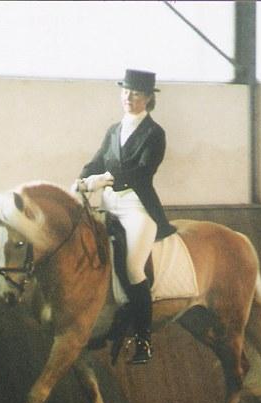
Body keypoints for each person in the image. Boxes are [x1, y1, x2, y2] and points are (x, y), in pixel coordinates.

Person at [73, 69, 175, 364]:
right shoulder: (113, 131)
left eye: (136, 93)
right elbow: (94, 162)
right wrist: (80, 181)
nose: (129, 97)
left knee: (132, 269)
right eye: (126, 91)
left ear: (148, 99)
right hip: (108, 204)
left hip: (136, 207)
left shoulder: (155, 134)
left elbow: (142, 172)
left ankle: (144, 339)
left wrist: (103, 179)